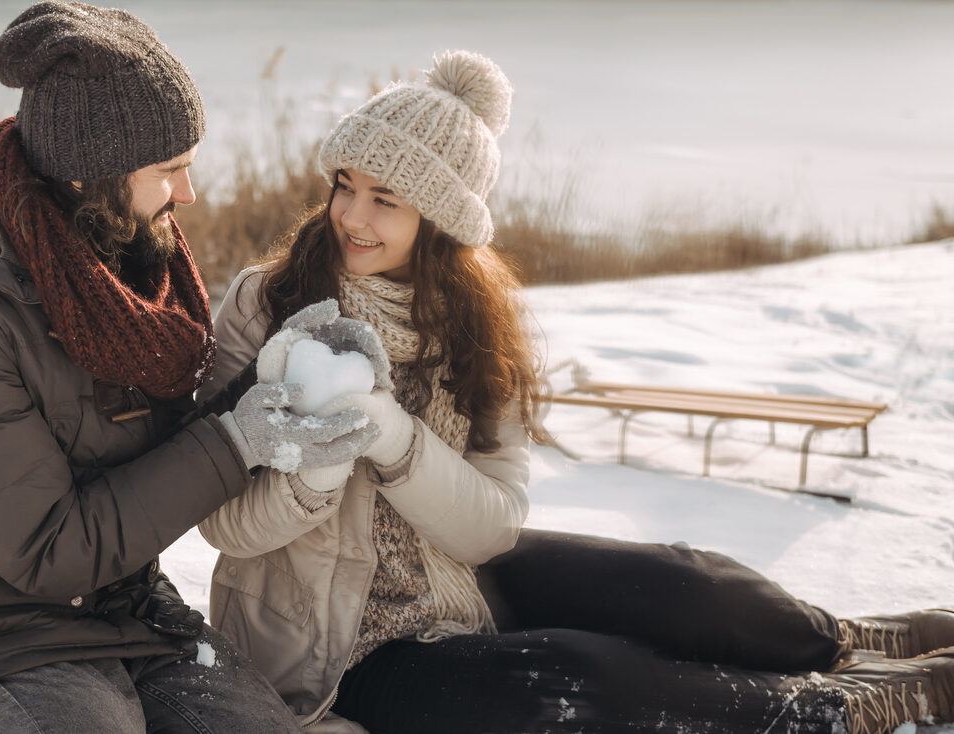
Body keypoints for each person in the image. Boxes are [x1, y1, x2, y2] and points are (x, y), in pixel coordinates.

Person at [194, 49, 954, 734]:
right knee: (570, 679)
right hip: (330, 647)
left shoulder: (472, 322)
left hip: (455, 578)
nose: (350, 217)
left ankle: (843, 641)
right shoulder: (270, 303)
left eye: (385, 199)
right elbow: (222, 525)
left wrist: (395, 439)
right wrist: (317, 476)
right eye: (344, 186)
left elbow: (491, 527)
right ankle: (844, 706)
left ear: (441, 220)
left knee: (679, 585)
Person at [0, 3, 380, 733]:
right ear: (90, 175)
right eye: (169, 171)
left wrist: (276, 383)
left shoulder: (120, 266)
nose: (189, 195)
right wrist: (244, 437)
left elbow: (170, 443)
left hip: (130, 611)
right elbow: (48, 549)